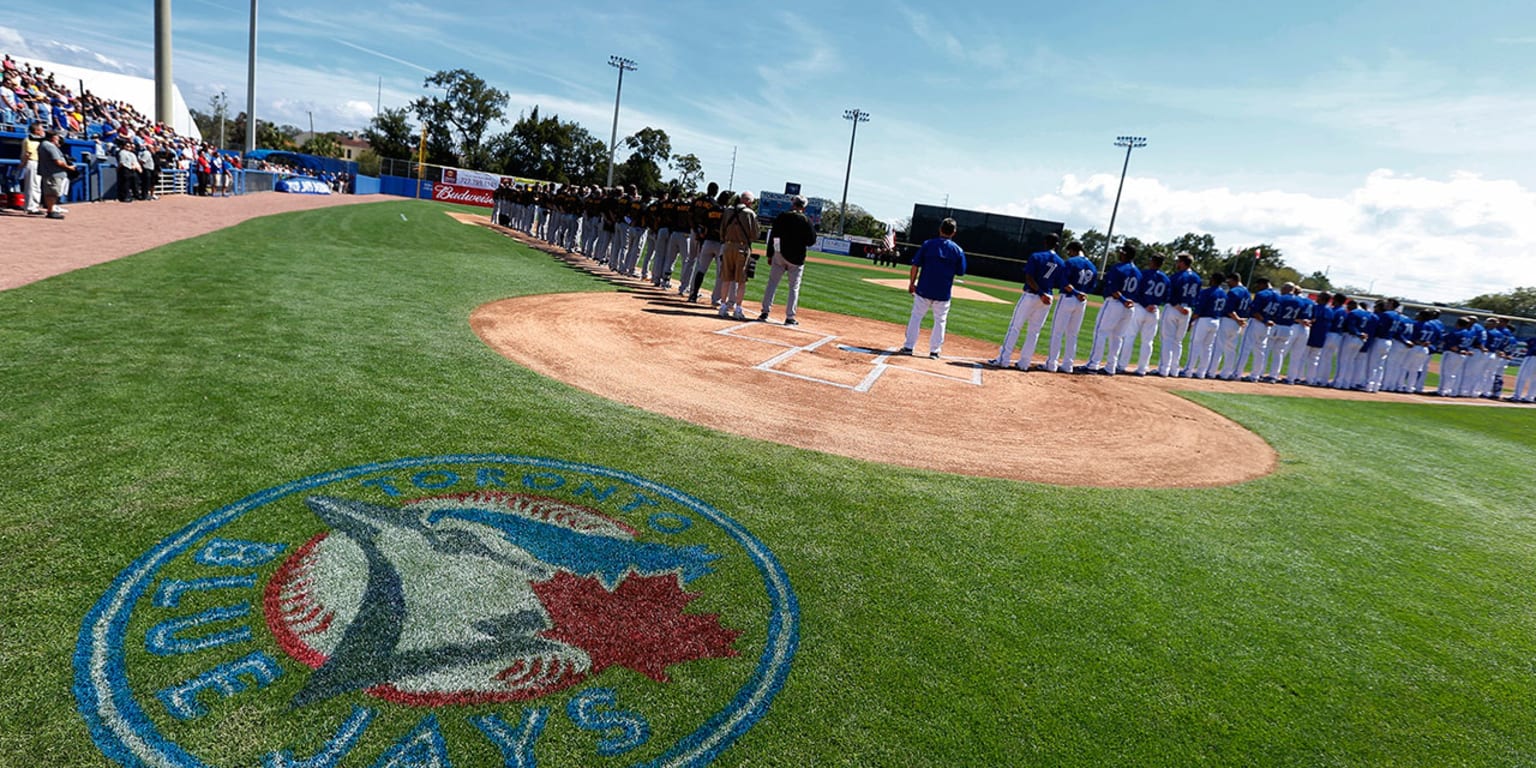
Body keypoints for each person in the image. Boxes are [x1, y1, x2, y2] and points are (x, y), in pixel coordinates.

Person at [991, 233, 1066, 370]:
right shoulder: (1061, 262)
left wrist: (1040, 292)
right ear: (1057, 245)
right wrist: (1045, 293)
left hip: (1032, 295)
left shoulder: (1036, 256)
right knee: (1034, 332)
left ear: (1045, 242)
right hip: (1046, 299)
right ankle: (1024, 363)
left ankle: (1004, 360)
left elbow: (1029, 278)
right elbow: (1060, 282)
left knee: (1015, 327)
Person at [900, 217, 966, 359]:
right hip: (943, 292)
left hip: (923, 289)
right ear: (954, 232)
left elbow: (915, 265)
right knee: (940, 321)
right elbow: (961, 271)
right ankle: (934, 351)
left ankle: (908, 346)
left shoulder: (928, 244)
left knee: (916, 317)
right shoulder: (957, 250)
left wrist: (911, 283)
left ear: (940, 229)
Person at [1083, 244, 1142, 375]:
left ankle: (1093, 364)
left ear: (1125, 254)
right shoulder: (1138, 272)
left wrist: (1122, 300)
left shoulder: (1118, 268)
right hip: (1130, 307)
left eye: (1121, 252)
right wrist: (1128, 301)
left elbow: (1113, 289)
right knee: (1117, 337)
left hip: (1115, 303)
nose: (1119, 254)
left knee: (1101, 332)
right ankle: (1111, 367)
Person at [759, 194, 817, 325]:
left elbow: (774, 236)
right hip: (797, 257)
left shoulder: (782, 216)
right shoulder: (806, 220)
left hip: (779, 253)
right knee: (794, 288)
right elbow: (811, 241)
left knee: (772, 284)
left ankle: (764, 312)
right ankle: (790, 317)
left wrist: (771, 253)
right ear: (804, 207)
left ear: (793, 204)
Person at [1044, 241, 1096, 373]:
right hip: (1082, 302)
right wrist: (1082, 293)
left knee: (1057, 332)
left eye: (1069, 251)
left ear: (1073, 250)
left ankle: (1051, 364)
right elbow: (1092, 286)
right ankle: (1068, 365)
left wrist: (1075, 292)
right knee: (1072, 334)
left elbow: (1064, 282)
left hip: (1068, 298)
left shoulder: (1071, 262)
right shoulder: (1092, 266)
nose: (1068, 254)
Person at [1123, 253, 1170, 375]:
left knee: (1130, 336)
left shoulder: (1143, 274)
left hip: (1140, 308)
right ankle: (1142, 369)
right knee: (1148, 341)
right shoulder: (1165, 278)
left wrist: (1145, 304)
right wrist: (1155, 304)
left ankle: (1121, 365)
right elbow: (1166, 297)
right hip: (1154, 310)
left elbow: (1136, 291)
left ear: (1153, 261)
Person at [1158, 253, 1202, 378]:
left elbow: (1169, 294)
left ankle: (1164, 369)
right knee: (1178, 341)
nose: (1177, 264)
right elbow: (1197, 297)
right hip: (1187, 310)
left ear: (1183, 263)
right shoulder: (1197, 278)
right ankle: (1174, 370)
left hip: (1174, 308)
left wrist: (1177, 307)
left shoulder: (1177, 276)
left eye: (1178, 261)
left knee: (1167, 339)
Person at [717, 191, 759, 320]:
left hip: (728, 245)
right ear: (749, 202)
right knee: (741, 280)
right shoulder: (750, 214)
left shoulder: (728, 211)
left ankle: (723, 306)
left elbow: (722, 230)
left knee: (726, 278)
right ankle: (738, 309)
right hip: (742, 247)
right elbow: (755, 235)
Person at [1182, 271, 1228, 378]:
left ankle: (1188, 371)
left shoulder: (1207, 292)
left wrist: (1191, 321)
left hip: (1204, 320)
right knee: (1208, 347)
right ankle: (1201, 372)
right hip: (1216, 321)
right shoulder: (1224, 294)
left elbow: (1199, 309)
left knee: (1195, 345)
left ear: (1213, 279)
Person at [36, 129, 76, 219]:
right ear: (53, 137)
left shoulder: (46, 145)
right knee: (52, 193)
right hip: (53, 173)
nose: (58, 139)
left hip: (52, 173)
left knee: (52, 192)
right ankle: (51, 211)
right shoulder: (49, 146)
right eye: (57, 137)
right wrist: (69, 168)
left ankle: (51, 209)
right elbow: (57, 161)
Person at [21, 122, 44, 214]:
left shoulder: (39, 140)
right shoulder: (29, 139)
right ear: (36, 130)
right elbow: (28, 154)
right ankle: (31, 207)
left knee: (36, 185)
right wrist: (23, 163)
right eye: (41, 129)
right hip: (32, 162)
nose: (43, 131)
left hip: (37, 163)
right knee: (32, 185)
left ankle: (34, 206)